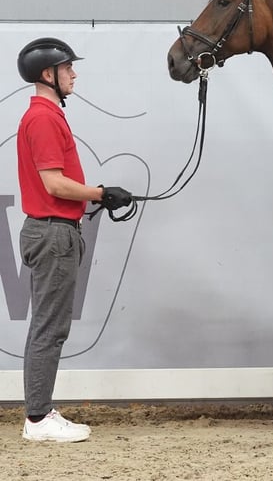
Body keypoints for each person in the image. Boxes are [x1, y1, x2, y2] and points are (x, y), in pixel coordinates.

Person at [16, 37, 133, 442]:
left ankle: (39, 411)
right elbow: (54, 184)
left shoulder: (43, 115)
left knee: (45, 326)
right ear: (48, 74)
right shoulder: (45, 118)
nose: (74, 74)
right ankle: (38, 419)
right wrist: (102, 193)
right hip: (53, 234)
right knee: (50, 328)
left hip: (51, 231)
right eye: (68, 68)